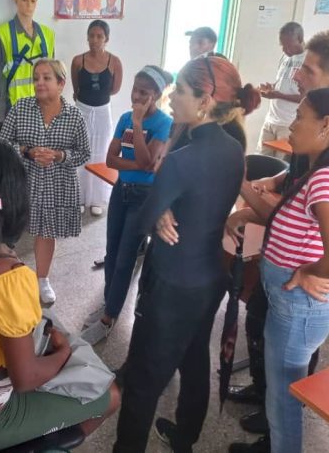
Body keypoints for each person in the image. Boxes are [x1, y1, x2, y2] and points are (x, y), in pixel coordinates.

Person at [227, 30, 329, 453]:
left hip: (304, 292)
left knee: (289, 386)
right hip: (289, 284)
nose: (297, 78)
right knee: (272, 363)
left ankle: (278, 433)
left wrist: (314, 268)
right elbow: (297, 188)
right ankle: (271, 408)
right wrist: (267, 188)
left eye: (307, 71)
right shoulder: (319, 149)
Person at [0, 138, 120, 452]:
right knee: (110, 396)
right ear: (16, 199)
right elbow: (26, 379)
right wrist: (63, 353)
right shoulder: (10, 279)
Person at [113, 56, 261, 453]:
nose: (171, 97)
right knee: (194, 358)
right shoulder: (234, 150)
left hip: (171, 283)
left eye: (178, 90)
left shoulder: (182, 160)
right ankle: (185, 436)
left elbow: (143, 220)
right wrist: (164, 205)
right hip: (209, 276)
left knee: (144, 382)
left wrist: (158, 208)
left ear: (205, 101)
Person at [79, 65, 172, 346]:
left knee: (125, 259)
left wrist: (140, 125)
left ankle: (108, 319)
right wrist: (138, 163)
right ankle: (110, 304)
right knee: (111, 252)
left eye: (143, 92)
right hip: (121, 190)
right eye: (134, 89)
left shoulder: (163, 124)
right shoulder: (123, 118)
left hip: (143, 196)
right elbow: (110, 159)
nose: (136, 95)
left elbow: (147, 162)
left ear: (155, 95)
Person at [0, 59, 90, 305]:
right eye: (36, 78)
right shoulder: (21, 108)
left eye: (46, 78)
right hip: (22, 179)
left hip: (57, 182)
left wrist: (59, 155)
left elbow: (83, 153)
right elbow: (2, 143)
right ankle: (3, 277)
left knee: (46, 231)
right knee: (10, 229)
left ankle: (42, 279)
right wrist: (27, 151)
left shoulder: (74, 116)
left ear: (61, 83)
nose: (39, 83)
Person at [71, 20, 124, 216]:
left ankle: (97, 199)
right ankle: (78, 197)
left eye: (99, 36)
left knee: (100, 153)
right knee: (80, 152)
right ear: (87, 37)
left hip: (103, 111)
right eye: (91, 35)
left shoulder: (115, 62)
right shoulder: (78, 61)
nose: (95, 40)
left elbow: (115, 89)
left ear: (106, 39)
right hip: (82, 110)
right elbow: (76, 89)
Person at [0, 0, 55, 118]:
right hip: (13, 110)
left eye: (33, 0)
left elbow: (53, 75)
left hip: (42, 109)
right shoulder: (1, 34)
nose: (29, 5)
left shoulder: (48, 35)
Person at [256, 22, 305, 156]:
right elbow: (284, 84)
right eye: (282, 45)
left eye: (288, 46)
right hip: (271, 119)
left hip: (288, 123)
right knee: (261, 161)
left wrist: (278, 95)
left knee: (281, 166)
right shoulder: (285, 57)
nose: (284, 50)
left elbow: (306, 97)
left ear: (300, 40)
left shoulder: (307, 61)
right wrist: (271, 87)